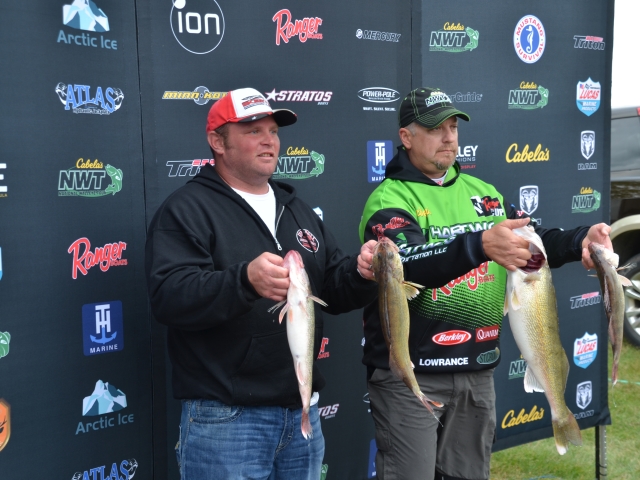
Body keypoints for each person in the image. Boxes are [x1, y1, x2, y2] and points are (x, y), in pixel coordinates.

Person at [358, 86, 612, 480]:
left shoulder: (485, 194)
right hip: (413, 374)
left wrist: (581, 240)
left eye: (453, 127)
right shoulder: (389, 199)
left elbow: (534, 239)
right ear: (406, 136)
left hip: (477, 370)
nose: (448, 137)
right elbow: (405, 264)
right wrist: (479, 245)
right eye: (435, 128)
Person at [145, 87, 377, 480]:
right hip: (227, 419)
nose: (269, 140)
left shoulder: (297, 208)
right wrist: (244, 281)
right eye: (253, 131)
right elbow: (169, 296)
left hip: (302, 410)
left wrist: (362, 272)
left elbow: (332, 289)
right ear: (218, 142)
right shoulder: (186, 209)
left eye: (273, 131)